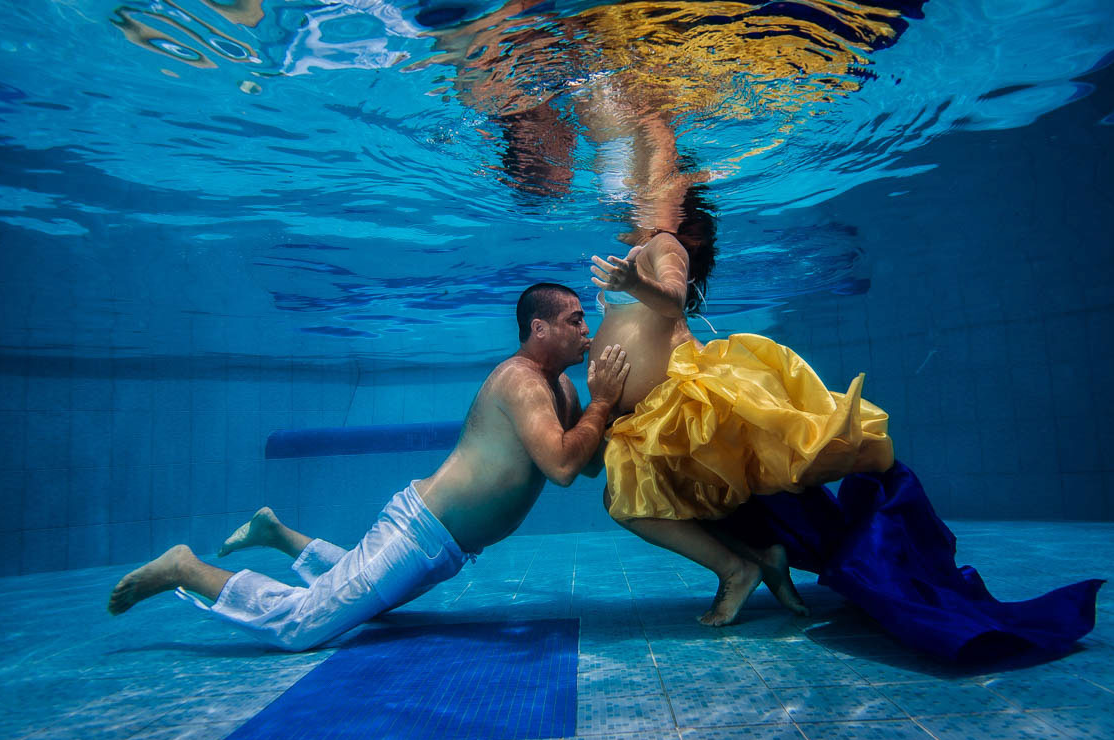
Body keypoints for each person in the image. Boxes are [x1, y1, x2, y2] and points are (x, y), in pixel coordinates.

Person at [106, 283, 629, 651]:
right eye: (575, 320)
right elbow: (561, 467)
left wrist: (619, 407)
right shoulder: (521, 381)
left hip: (444, 546)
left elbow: (583, 467)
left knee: (360, 601)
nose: (587, 330)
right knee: (302, 625)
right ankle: (185, 567)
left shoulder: (560, 387)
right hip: (419, 530)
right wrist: (603, 402)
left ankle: (277, 532)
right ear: (539, 328)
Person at [588, 184, 897, 627]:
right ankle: (762, 557)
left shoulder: (662, 242)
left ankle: (737, 569)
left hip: (678, 405)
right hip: (647, 416)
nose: (620, 206)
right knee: (656, 502)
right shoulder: (644, 249)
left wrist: (634, 283)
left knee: (629, 502)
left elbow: (673, 297)